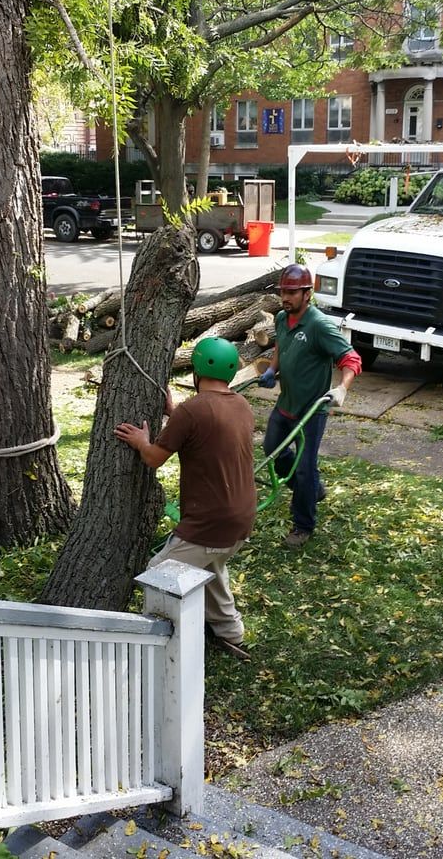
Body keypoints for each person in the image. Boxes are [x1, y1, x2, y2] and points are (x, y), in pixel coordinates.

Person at [114, 338, 256, 660]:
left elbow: (153, 458)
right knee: (212, 566)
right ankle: (231, 633)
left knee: (159, 573)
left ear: (196, 371)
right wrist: (175, 413)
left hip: (210, 521)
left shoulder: (192, 410)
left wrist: (140, 441)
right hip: (242, 519)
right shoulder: (241, 405)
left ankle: (160, 642)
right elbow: (209, 427)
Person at [258, 263, 361, 548]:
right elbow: (281, 346)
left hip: (311, 412)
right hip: (286, 404)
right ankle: (311, 489)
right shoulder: (282, 318)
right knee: (272, 450)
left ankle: (303, 525)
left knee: (304, 467)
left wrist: (342, 388)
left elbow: (351, 359)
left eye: (292, 293)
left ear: (307, 294)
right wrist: (272, 370)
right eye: (283, 292)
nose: (285, 297)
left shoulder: (319, 325)